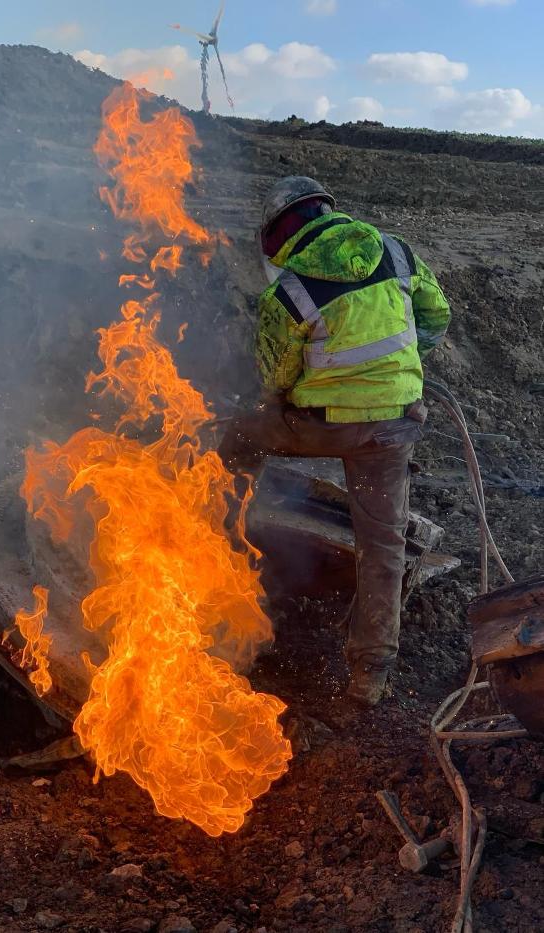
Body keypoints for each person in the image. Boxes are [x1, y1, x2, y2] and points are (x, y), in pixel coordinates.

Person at [219, 176, 451, 707]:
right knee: (383, 545)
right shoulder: (396, 253)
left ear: (278, 234)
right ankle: (370, 674)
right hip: (391, 429)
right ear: (326, 212)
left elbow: (275, 377)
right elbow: (437, 315)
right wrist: (401, 368)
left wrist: (284, 403)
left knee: (240, 436)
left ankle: (219, 541)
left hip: (321, 425)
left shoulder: (289, 293)